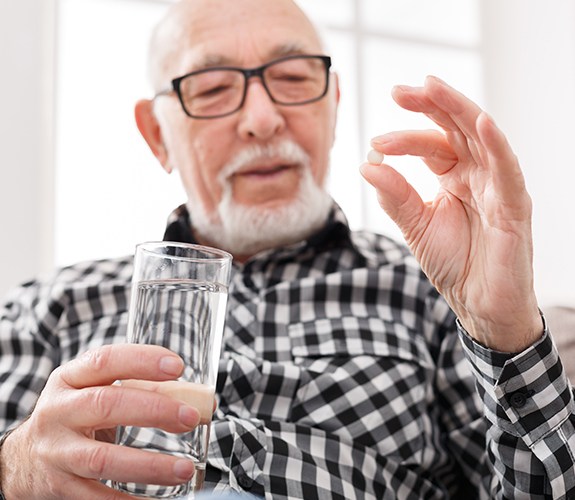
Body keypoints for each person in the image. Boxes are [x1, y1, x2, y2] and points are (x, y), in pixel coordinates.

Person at [0, 0, 573, 498]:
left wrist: (506, 329)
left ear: (333, 104)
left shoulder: (432, 291)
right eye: (215, 88)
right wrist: (15, 468)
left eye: (295, 78)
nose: (263, 119)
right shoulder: (49, 307)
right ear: (157, 134)